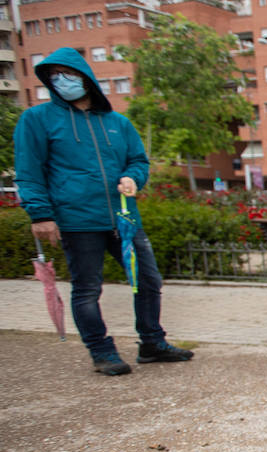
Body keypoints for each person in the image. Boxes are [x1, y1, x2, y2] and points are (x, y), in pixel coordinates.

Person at [13, 47, 193, 375]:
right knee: (87, 289)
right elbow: (29, 170)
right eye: (53, 76)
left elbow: (138, 160)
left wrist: (132, 177)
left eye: (67, 74)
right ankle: (102, 350)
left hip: (124, 220)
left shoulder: (117, 123)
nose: (61, 81)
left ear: (86, 78)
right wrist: (40, 214)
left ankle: (152, 343)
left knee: (148, 280)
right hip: (77, 219)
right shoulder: (37, 120)